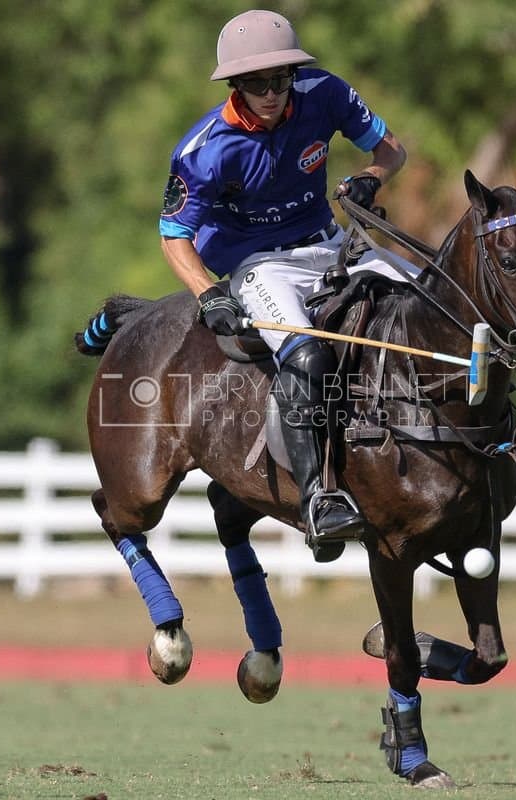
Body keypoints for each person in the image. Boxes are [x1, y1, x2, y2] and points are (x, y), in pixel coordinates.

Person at [159, 9, 416, 561]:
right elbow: (173, 236)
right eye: (256, 83)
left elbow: (391, 148)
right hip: (259, 265)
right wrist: (208, 293)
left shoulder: (324, 93)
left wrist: (370, 179)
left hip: (329, 241)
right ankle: (320, 500)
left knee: (427, 300)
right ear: (236, 84)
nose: (272, 93)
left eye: (280, 79)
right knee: (306, 359)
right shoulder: (205, 149)